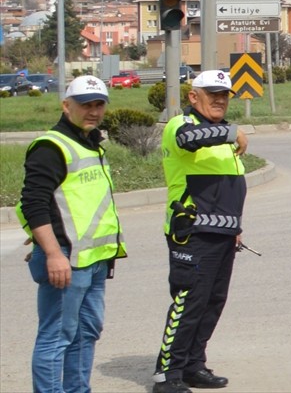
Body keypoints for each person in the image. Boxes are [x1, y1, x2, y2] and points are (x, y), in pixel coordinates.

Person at [17, 75, 127, 393]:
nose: (93, 111)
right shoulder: (51, 146)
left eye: (99, 104)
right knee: (56, 338)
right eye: (85, 105)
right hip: (65, 260)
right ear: (67, 106)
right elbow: (32, 202)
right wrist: (51, 251)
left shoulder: (89, 142)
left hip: (92, 259)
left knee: (85, 333)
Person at [153, 70, 248, 393]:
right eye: (212, 94)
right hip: (191, 232)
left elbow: (225, 187)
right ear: (194, 97)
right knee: (188, 304)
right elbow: (188, 141)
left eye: (224, 94)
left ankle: (193, 364)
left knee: (212, 302)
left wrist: (235, 226)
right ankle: (168, 374)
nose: (220, 99)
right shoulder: (183, 126)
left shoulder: (219, 133)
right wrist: (232, 132)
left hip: (222, 233)